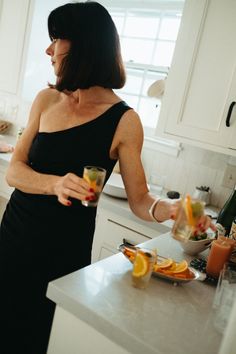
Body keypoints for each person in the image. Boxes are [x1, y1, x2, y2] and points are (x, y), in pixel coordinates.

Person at [0, 2, 215, 353]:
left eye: (57, 39)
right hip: (12, 238)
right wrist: (55, 183)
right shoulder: (47, 99)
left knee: (39, 336)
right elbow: (15, 170)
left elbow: (141, 199)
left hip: (61, 254)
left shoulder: (124, 121)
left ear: (84, 44)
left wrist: (169, 207)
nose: (48, 49)